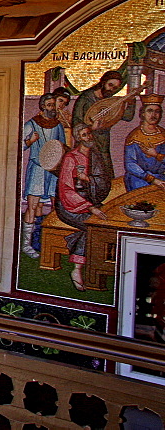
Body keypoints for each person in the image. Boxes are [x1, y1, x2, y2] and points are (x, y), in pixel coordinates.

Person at [57, 125, 109, 291]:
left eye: (90, 134)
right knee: (92, 227)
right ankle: (77, 269)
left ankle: (72, 241)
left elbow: (103, 179)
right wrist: (90, 208)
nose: (89, 137)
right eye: (85, 135)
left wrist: (88, 179)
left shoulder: (96, 156)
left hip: (90, 201)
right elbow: (65, 189)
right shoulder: (71, 158)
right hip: (70, 206)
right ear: (78, 138)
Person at [71, 69, 136, 184]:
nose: (111, 89)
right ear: (103, 82)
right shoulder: (86, 98)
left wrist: (131, 102)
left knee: (105, 174)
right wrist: (90, 128)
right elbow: (76, 122)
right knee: (85, 173)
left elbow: (126, 117)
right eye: (110, 85)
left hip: (103, 144)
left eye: (115, 88)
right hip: (85, 145)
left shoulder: (110, 102)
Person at [22, 93, 65, 258]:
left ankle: (46, 242)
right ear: (42, 106)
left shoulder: (58, 125)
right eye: (48, 105)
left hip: (53, 171)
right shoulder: (32, 124)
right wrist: (30, 141)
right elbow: (18, 145)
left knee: (54, 206)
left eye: (53, 105)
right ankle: (26, 245)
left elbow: (62, 146)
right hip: (38, 170)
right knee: (32, 206)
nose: (51, 108)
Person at [124, 95, 165, 191]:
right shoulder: (134, 136)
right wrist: (152, 179)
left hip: (161, 177)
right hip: (139, 178)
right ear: (143, 113)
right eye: (150, 111)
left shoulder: (163, 135)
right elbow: (130, 164)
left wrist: (156, 155)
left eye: (157, 111)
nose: (153, 115)